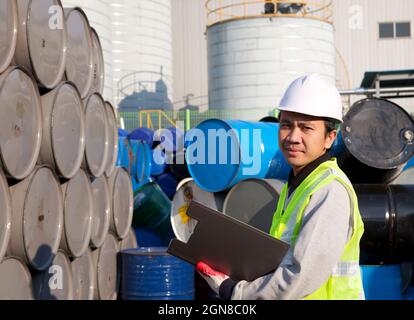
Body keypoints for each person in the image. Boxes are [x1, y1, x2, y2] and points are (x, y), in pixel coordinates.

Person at [196, 74, 365, 300]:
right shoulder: (297, 183)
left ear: (330, 138)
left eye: (306, 128)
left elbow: (300, 275)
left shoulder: (329, 190)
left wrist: (237, 293)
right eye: (286, 125)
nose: (293, 137)